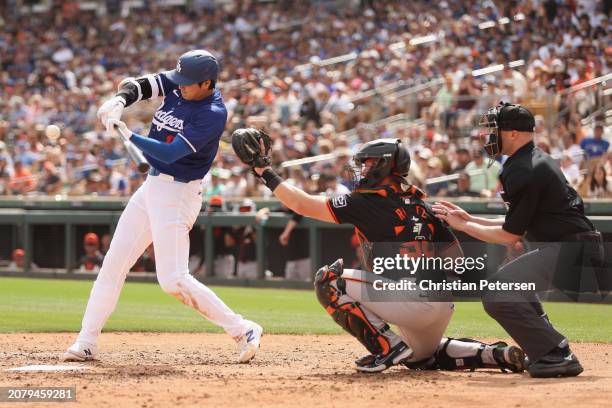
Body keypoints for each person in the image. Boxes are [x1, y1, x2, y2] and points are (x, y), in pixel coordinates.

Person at [232, 130, 525, 374]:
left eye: (369, 163)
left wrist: (264, 172)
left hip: (409, 300)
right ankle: (492, 354)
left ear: (385, 166)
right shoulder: (422, 204)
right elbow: (456, 260)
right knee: (421, 358)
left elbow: (303, 205)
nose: (363, 170)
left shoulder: (367, 201)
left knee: (329, 281)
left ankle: (387, 346)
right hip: (440, 307)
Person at [62, 50, 262, 364]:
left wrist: (128, 133)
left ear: (207, 82)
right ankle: (86, 342)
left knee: (173, 280)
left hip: (178, 193)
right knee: (113, 264)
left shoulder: (212, 112)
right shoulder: (182, 82)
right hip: (152, 188)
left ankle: (243, 329)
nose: (178, 86)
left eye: (187, 83)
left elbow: (169, 154)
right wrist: (119, 101)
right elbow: (143, 85)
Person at [433, 102, 605, 378]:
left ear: (512, 133)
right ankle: (552, 350)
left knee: (496, 293)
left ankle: (555, 353)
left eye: (494, 129)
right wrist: (468, 221)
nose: (487, 136)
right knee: (514, 287)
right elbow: (517, 225)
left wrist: (463, 227)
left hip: (570, 251)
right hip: (574, 247)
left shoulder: (522, 167)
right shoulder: (532, 159)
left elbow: (509, 236)